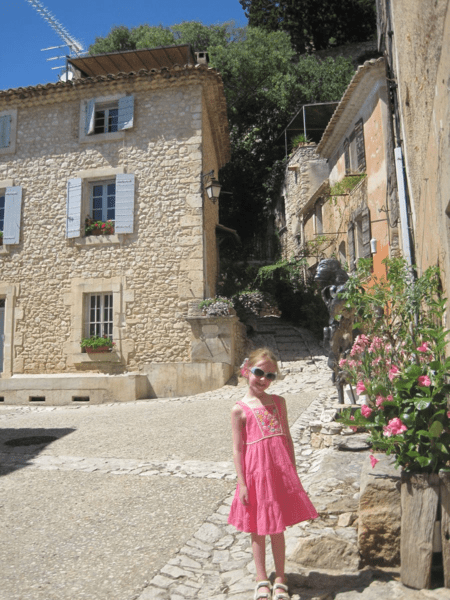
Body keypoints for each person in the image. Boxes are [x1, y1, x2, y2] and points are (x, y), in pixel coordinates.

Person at [228, 348, 318, 600]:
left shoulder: (279, 403)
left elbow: (287, 438)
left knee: (277, 527)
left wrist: (293, 472)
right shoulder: (239, 410)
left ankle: (280, 576)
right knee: (257, 528)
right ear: (247, 371)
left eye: (270, 376)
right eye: (259, 372)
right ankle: (260, 578)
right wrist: (242, 483)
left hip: (278, 473)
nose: (263, 379)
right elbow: (237, 449)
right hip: (255, 475)